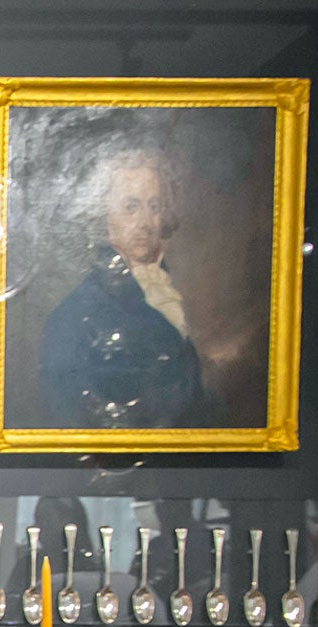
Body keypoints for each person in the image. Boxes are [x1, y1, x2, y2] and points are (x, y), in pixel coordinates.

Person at [39, 148, 220, 428]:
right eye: (131, 207)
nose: (146, 223)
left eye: (155, 207)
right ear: (104, 216)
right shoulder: (72, 317)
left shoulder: (166, 292)